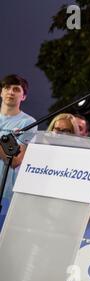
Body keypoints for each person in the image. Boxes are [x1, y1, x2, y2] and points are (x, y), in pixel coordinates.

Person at [0, 74, 37, 203]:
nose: (10, 92)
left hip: (4, 192)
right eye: (7, 88)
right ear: (1, 92)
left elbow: (15, 161)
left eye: (16, 89)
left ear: (24, 96)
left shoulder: (28, 122)